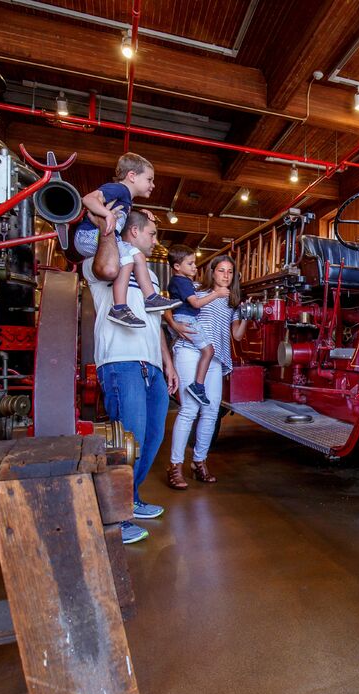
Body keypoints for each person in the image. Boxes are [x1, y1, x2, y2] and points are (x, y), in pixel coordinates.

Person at [85, 209, 179, 543]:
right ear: (134, 231)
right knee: (127, 441)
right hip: (121, 362)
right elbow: (108, 266)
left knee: (152, 438)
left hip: (151, 364)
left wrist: (167, 362)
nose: (156, 241)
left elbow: (153, 323)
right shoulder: (102, 262)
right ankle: (113, 515)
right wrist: (109, 223)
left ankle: (130, 498)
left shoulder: (149, 276)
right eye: (152, 234)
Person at [165, 254, 248, 489]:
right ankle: (175, 466)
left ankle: (199, 462)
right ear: (212, 272)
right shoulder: (197, 291)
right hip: (190, 351)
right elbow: (166, 308)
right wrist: (173, 325)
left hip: (215, 357)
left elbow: (237, 336)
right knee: (190, 409)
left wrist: (248, 316)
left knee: (211, 411)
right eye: (221, 270)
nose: (225, 275)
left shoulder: (233, 302)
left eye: (230, 272)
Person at [74, 152, 179, 328]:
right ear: (132, 176)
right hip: (89, 236)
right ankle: (122, 306)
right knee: (129, 258)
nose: (153, 185)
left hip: (96, 238)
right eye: (149, 179)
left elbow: (122, 212)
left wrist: (140, 211)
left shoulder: (126, 199)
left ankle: (150, 298)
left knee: (136, 256)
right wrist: (107, 214)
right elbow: (88, 199)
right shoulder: (119, 189)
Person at [166, 245, 229, 407]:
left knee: (208, 351)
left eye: (195, 263)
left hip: (183, 319)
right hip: (187, 319)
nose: (195, 267)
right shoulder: (185, 283)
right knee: (209, 350)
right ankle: (198, 385)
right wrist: (216, 294)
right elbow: (195, 303)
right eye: (191, 263)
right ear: (177, 266)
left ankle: (198, 386)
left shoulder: (180, 282)